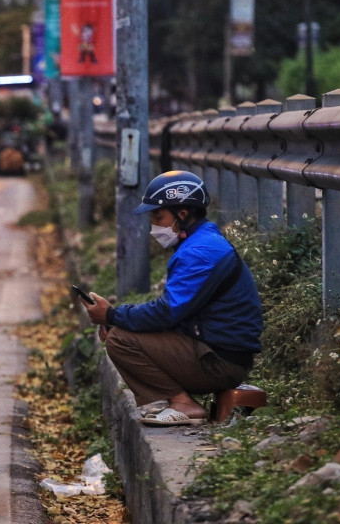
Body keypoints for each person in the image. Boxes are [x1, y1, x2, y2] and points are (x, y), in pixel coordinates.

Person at [80, 170, 263, 426]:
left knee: (121, 340)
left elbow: (166, 312)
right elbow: (174, 313)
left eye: (158, 217)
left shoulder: (200, 252)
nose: (154, 226)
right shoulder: (201, 242)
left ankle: (183, 404)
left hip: (221, 362)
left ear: (182, 214)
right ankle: (180, 401)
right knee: (120, 332)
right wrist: (116, 318)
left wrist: (112, 315)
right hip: (216, 353)